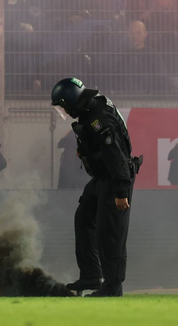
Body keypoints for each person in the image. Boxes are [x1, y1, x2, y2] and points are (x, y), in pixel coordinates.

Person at [51, 77, 142, 297]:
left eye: (64, 106)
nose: (64, 111)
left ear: (72, 100)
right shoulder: (92, 109)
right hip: (103, 178)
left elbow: (116, 157)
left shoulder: (98, 120)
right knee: (84, 217)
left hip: (115, 178)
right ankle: (91, 275)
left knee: (110, 232)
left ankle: (113, 286)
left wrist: (121, 191)